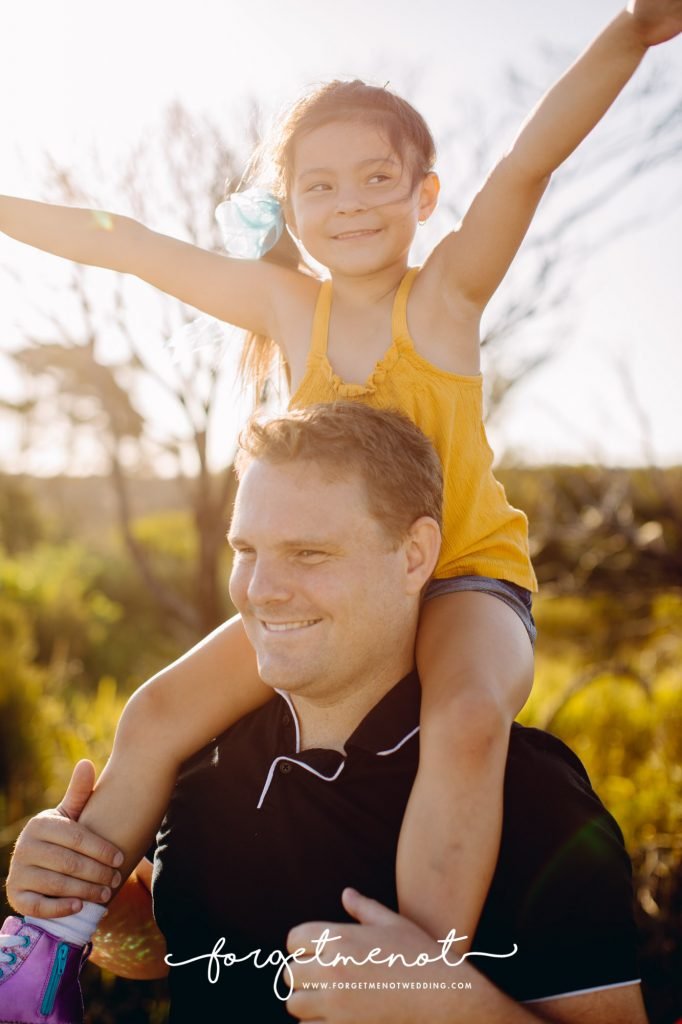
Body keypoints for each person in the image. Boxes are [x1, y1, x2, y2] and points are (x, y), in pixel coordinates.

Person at [2, 1, 680, 1014]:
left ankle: (406, 967)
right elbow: (135, 247)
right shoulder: (289, 311)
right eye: (319, 185)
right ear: (290, 205)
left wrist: (628, 32)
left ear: (423, 192)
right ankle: (53, 943)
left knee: (461, 719)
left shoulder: (445, 294)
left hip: (464, 575)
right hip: (337, 580)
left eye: (377, 179)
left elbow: (528, 166)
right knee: (155, 712)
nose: (350, 203)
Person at [3, 405, 647, 1023]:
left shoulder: (528, 793)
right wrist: (93, 899)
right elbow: (172, 955)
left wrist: (455, 1012)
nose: (261, 589)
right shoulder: (201, 759)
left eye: (308, 553)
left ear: (415, 555)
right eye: (247, 550)